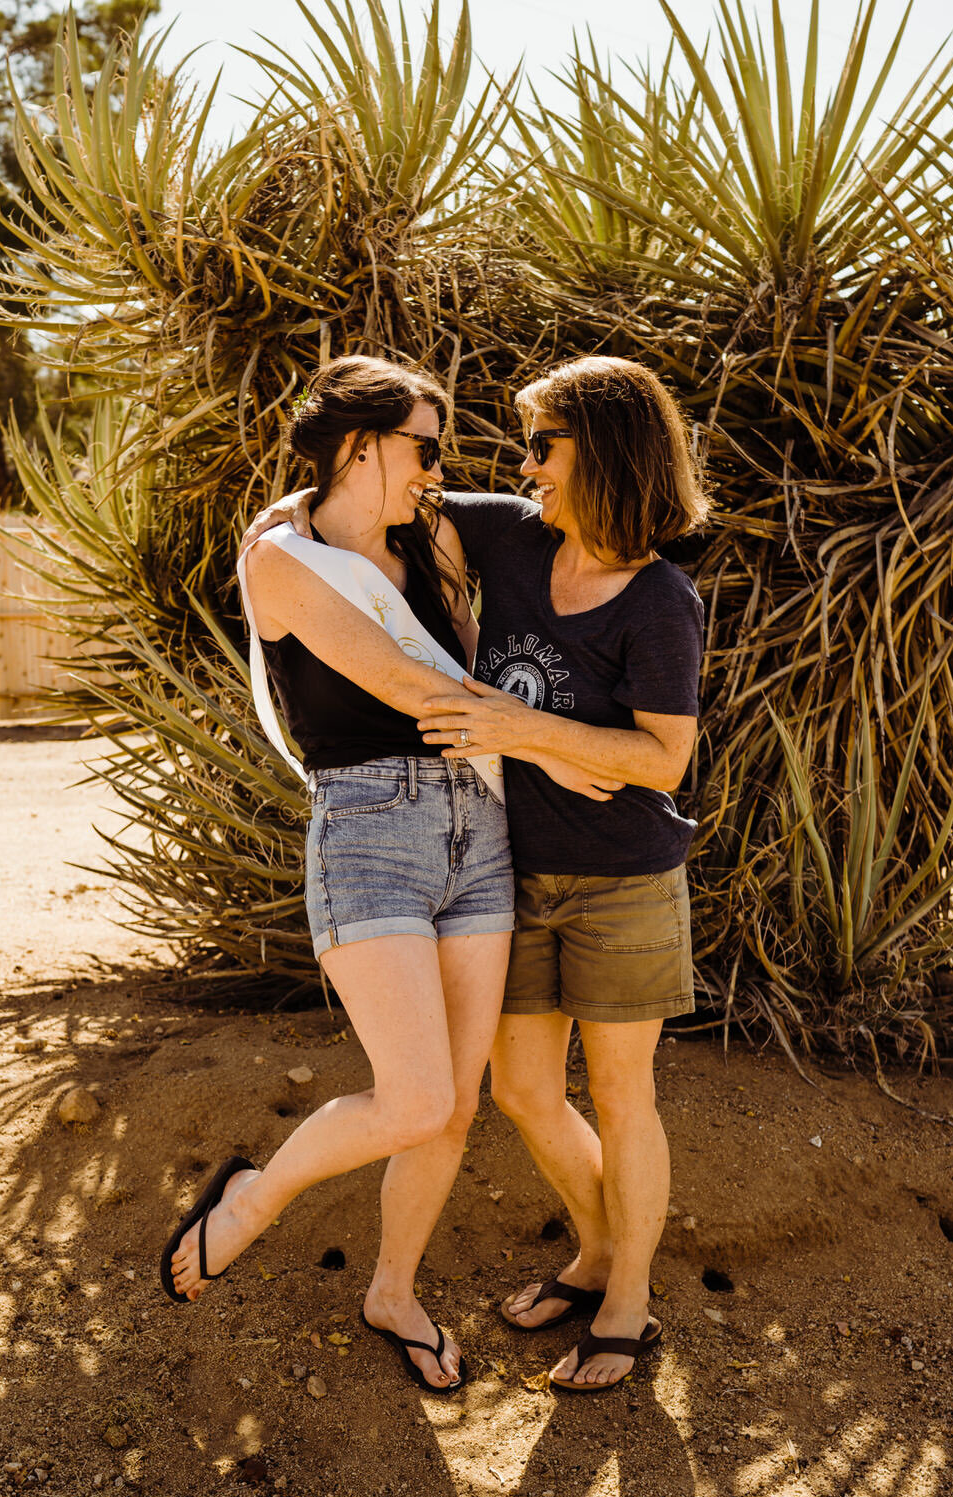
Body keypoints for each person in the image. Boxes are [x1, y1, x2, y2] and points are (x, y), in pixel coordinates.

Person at [252, 355, 708, 1393]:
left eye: (544, 445)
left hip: (623, 877)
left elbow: (660, 761)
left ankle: (626, 1307)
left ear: (603, 451)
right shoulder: (507, 534)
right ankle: (595, 1256)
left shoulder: (659, 601)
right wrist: (267, 528)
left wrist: (514, 724)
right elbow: (357, 491)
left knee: (624, 1095)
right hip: (511, 870)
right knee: (525, 1092)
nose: (525, 464)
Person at [160, 356, 614, 1395]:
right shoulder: (285, 564)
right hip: (371, 827)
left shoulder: (428, 542)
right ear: (358, 444)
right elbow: (407, 684)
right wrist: (558, 751)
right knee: (413, 1097)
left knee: (453, 1108)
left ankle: (393, 1293)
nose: (435, 469)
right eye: (421, 445)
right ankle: (250, 1199)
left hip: (477, 827)